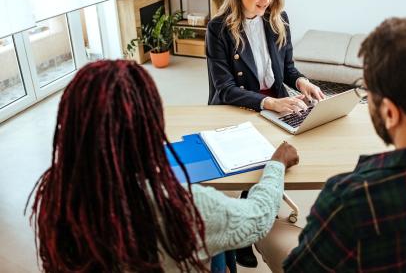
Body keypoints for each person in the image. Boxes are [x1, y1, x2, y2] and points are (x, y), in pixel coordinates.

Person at [26, 60, 299, 273]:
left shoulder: (54, 192)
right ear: (149, 124)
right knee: (220, 239)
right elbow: (259, 217)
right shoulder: (179, 206)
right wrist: (276, 164)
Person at [255, 17, 406, 272]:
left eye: (367, 90)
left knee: (268, 229)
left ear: (391, 114)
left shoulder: (350, 199)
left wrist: (274, 168)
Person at [206, 0, 324, 115]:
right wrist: (270, 103)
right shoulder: (217, 28)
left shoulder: (279, 19)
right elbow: (226, 89)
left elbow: (287, 69)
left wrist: (301, 82)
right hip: (239, 107)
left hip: (278, 101)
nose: (267, 0)